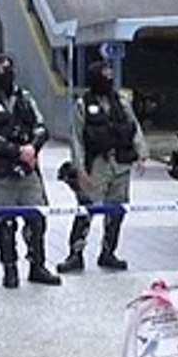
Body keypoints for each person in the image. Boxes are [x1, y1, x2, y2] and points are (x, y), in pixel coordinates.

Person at [0, 53, 62, 289]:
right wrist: (17, 151)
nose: (6, 71)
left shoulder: (25, 98)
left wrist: (33, 147)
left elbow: (42, 127)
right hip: (1, 174)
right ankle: (9, 269)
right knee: (6, 223)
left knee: (37, 219)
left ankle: (37, 266)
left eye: (9, 66)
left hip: (29, 172)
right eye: (0, 68)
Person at [56, 61, 147, 273]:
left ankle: (108, 252)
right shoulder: (82, 105)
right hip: (96, 165)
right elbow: (77, 138)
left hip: (121, 164)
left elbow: (134, 128)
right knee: (86, 208)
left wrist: (141, 154)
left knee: (117, 210)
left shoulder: (121, 103)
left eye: (110, 73)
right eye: (104, 74)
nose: (108, 78)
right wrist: (80, 168)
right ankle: (75, 254)